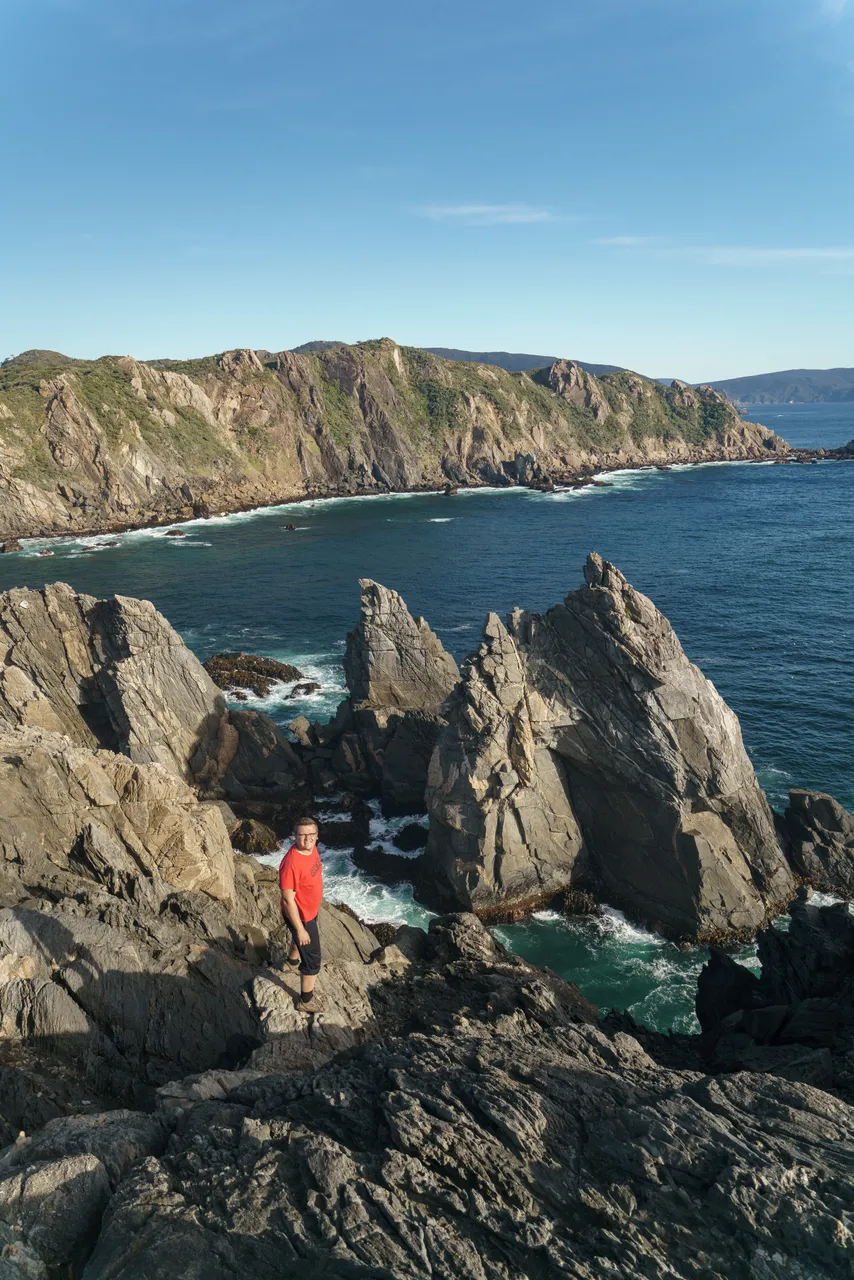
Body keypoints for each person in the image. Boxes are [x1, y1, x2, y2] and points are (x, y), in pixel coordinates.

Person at [279, 816, 324, 1013]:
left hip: (310, 910)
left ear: (316, 836)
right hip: (301, 916)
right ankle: (305, 1001)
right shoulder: (291, 864)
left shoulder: (312, 849)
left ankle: (290, 963)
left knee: (301, 944)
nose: (307, 839)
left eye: (311, 834)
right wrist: (300, 929)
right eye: (302, 835)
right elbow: (288, 900)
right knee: (312, 959)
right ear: (295, 836)